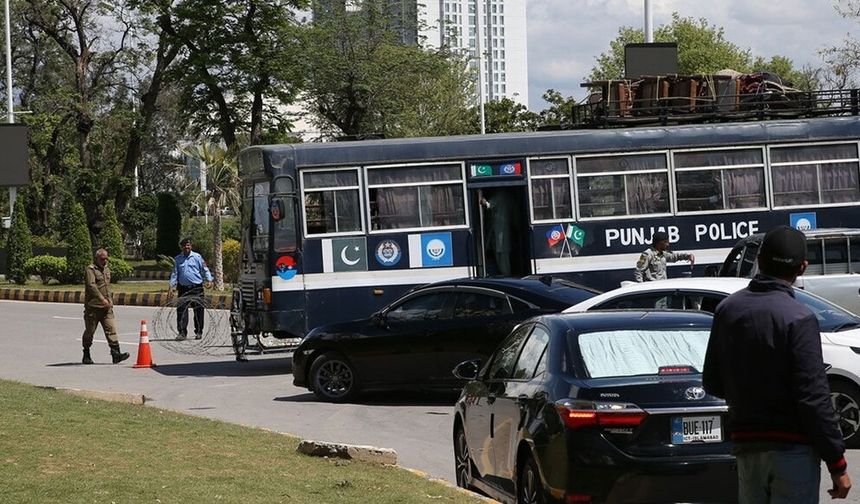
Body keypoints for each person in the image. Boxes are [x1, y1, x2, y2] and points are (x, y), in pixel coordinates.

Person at [703, 225, 851, 503]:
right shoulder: (799, 317)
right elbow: (814, 398)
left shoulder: (727, 310)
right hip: (793, 451)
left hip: (747, 448)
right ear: (803, 268)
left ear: (759, 261)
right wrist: (837, 464)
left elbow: (712, 381)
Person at [81, 248, 130, 364]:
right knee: (90, 331)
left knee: (111, 329)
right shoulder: (90, 269)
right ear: (97, 258)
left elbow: (107, 286)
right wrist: (101, 299)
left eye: (106, 258)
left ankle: (116, 354)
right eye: (102, 259)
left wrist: (109, 301)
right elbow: (91, 286)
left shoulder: (107, 268)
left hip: (107, 307)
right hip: (93, 307)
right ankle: (86, 353)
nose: (105, 261)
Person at [169, 238, 213, 340]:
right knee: (181, 311)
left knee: (198, 311)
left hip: (196, 288)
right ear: (182, 247)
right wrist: (172, 286)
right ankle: (182, 333)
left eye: (188, 245)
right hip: (183, 289)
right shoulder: (178, 259)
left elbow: (205, 269)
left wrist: (209, 280)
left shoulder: (197, 257)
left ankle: (198, 332)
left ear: (191, 246)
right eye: (184, 245)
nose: (186, 247)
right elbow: (175, 273)